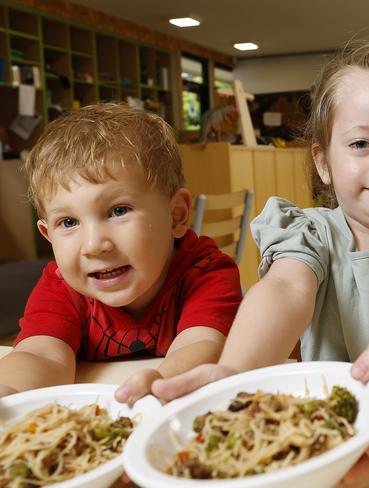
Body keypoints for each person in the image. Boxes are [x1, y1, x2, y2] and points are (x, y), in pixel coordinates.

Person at [149, 40, 369, 485]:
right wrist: (235, 372)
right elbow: (286, 289)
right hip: (324, 441)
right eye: (362, 143)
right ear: (324, 161)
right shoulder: (305, 231)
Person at [0, 103, 242, 402]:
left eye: (118, 210)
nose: (94, 244)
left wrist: (162, 381)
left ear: (176, 216)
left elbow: (202, 343)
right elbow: (40, 355)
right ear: (48, 235)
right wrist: (9, 393)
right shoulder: (61, 286)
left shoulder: (205, 271)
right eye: (69, 222)